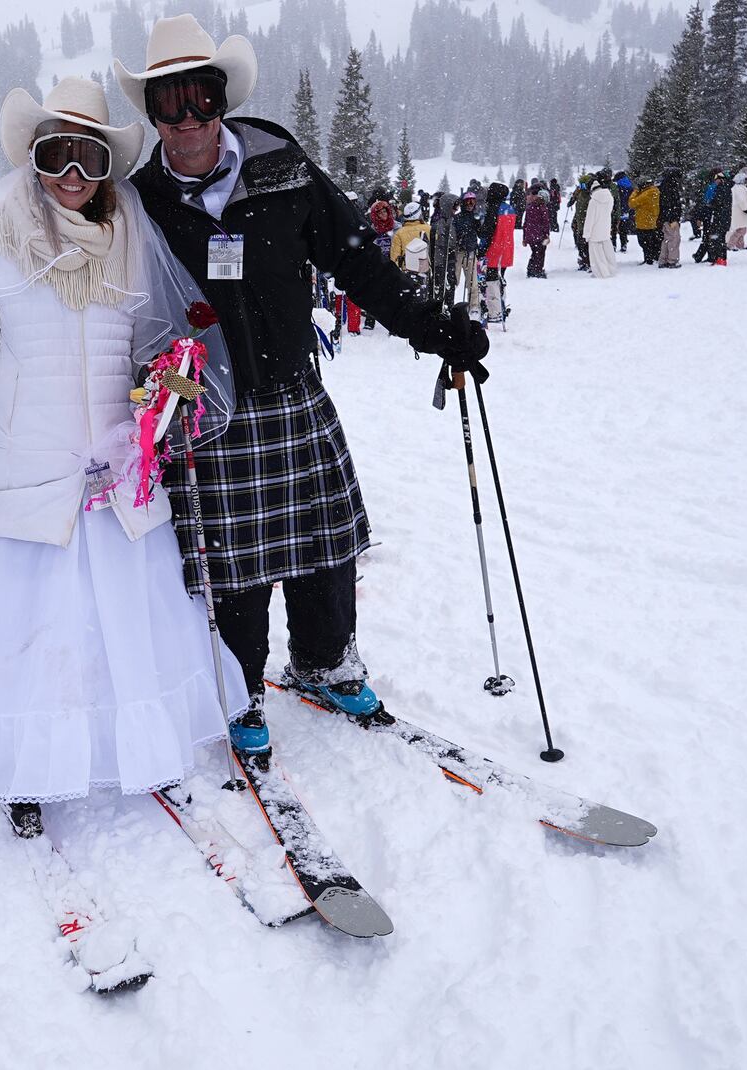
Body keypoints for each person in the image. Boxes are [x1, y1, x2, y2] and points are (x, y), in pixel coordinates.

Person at [0, 76, 248, 835]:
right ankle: (22, 767)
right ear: (33, 158)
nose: (71, 172)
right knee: (31, 636)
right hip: (32, 472)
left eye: (88, 156)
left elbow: (156, 344)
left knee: (123, 628)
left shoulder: (133, 235)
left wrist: (170, 384)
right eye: (55, 152)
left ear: (104, 165)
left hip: (116, 469)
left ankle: (144, 749)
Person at [116, 14, 489, 752]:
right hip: (205, 410)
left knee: (325, 547)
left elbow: (358, 261)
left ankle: (323, 663)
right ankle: (237, 689)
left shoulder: (282, 169)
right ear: (151, 111)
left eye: (202, 99)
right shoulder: (139, 201)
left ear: (222, 99)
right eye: (169, 103)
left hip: (292, 393)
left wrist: (433, 328)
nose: (188, 120)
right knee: (233, 568)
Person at [477, 181, 514, 321]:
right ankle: (501, 305)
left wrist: (481, 249)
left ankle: (495, 311)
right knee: (500, 279)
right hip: (506, 250)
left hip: (493, 251)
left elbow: (486, 233)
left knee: (490, 281)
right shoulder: (509, 208)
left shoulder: (493, 209)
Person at [583, 174, 617, 277]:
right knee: (608, 253)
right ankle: (611, 270)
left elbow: (589, 219)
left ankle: (600, 273)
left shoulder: (593, 201)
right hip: (606, 228)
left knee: (597, 256)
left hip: (595, 231)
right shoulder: (610, 198)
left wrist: (586, 234)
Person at [390, 200, 431, 287]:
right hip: (425, 269)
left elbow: (395, 257)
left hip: (407, 272)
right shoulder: (429, 229)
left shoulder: (399, 233)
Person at [452, 190, 480, 301]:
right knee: (454, 280)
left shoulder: (475, 217)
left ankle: (473, 306)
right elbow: (453, 234)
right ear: (463, 203)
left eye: (473, 202)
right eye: (468, 202)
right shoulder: (457, 218)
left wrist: (479, 225)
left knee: (472, 283)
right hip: (459, 253)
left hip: (471, 253)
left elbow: (481, 234)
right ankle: (449, 304)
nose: (470, 205)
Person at [629, 176, 661, 264]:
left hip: (644, 222)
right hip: (650, 221)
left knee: (644, 242)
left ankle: (649, 259)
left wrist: (635, 191)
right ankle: (652, 258)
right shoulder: (654, 191)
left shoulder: (647, 193)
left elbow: (632, 203)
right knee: (650, 242)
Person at [657, 170, 683, 268]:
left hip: (664, 217)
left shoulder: (663, 187)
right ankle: (672, 260)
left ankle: (663, 260)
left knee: (666, 239)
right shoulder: (672, 188)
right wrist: (674, 218)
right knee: (674, 239)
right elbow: (673, 204)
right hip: (671, 218)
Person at [523, 187, 551, 278]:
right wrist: (546, 235)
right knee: (540, 253)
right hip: (540, 235)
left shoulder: (530, 207)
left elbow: (526, 223)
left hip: (530, 235)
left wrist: (525, 237)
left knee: (534, 252)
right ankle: (538, 270)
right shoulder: (543, 209)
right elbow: (545, 223)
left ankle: (531, 269)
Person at [728, 171, 747, 251]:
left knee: (742, 228)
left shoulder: (737, 187)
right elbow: (741, 200)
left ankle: (740, 244)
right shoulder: (739, 188)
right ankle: (730, 244)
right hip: (740, 211)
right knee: (741, 229)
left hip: (740, 211)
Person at [569, 175, 591, 271]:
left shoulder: (592, 193)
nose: (582, 186)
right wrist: (572, 200)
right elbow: (574, 198)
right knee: (580, 242)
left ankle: (587, 262)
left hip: (587, 221)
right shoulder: (579, 191)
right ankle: (582, 261)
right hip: (579, 219)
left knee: (586, 243)